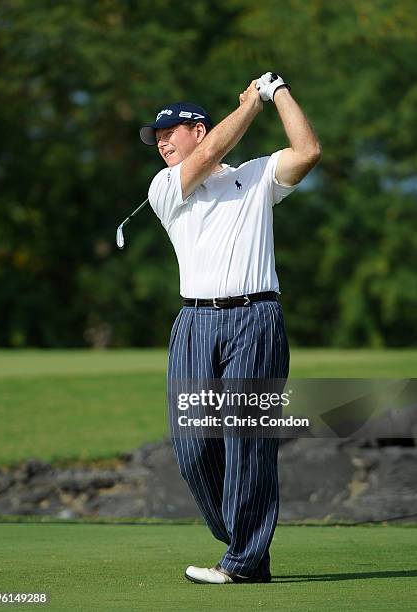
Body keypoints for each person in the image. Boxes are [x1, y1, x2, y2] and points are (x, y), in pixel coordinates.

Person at [139, 72, 321, 584]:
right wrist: (250, 105)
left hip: (256, 319)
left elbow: (307, 151)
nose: (160, 143)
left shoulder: (256, 175)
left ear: (198, 128)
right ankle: (246, 543)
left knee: (248, 440)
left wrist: (278, 90)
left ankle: (244, 560)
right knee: (193, 444)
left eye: (168, 132)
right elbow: (203, 158)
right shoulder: (165, 187)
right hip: (195, 323)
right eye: (155, 139)